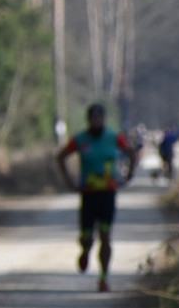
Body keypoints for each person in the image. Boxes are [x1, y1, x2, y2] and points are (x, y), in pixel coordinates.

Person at [55, 103, 137, 292]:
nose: (97, 121)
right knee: (86, 236)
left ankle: (103, 277)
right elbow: (61, 157)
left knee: (106, 235)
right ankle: (85, 250)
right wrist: (70, 182)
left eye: (100, 117)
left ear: (104, 119)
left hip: (108, 193)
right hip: (88, 195)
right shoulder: (80, 139)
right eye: (93, 118)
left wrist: (128, 176)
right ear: (88, 119)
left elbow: (131, 152)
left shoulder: (114, 137)